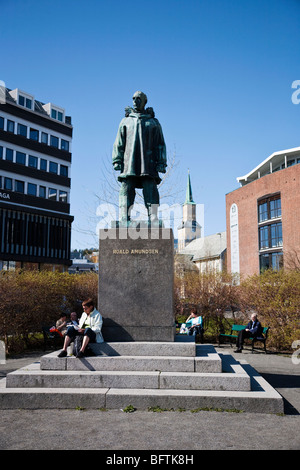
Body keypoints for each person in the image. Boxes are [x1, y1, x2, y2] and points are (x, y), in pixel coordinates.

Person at [112, 91, 167, 224]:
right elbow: (119, 142)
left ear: (144, 102)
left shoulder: (153, 122)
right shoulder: (125, 121)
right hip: (129, 162)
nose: (135, 101)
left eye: (138, 99)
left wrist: (161, 162)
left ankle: (153, 216)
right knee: (127, 187)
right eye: (133, 99)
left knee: (150, 187)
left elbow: (160, 144)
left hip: (148, 163)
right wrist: (117, 159)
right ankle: (124, 215)